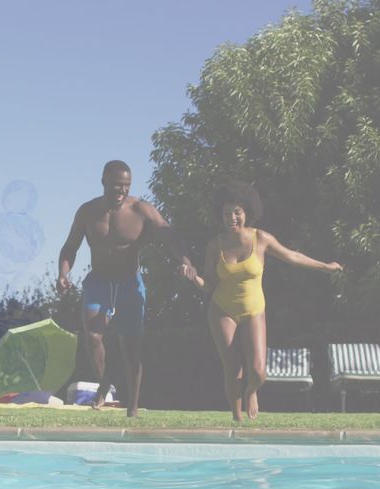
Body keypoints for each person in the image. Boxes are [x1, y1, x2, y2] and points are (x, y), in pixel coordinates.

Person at [182, 182, 343, 421]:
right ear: (221, 216)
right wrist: (194, 278)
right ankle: (236, 419)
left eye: (237, 212)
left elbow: (292, 256)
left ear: (247, 212)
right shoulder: (215, 245)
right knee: (232, 367)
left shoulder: (261, 239)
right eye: (227, 213)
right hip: (222, 309)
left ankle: (251, 391)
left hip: (254, 309)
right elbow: (209, 285)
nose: (232, 218)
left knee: (258, 373)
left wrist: (325, 267)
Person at [57, 159, 195, 417]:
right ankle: (103, 381)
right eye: (116, 185)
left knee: (130, 347)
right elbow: (70, 247)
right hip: (98, 280)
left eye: (126, 186)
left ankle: (132, 406)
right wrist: (63, 273)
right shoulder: (87, 211)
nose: (121, 190)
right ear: (104, 182)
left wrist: (185, 261)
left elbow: (169, 234)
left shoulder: (141, 210)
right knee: (93, 335)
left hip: (129, 283)